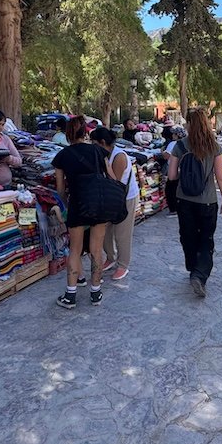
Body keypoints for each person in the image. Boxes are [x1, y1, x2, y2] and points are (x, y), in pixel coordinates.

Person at [52, 116, 115, 308]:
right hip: (99, 204)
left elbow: (61, 189)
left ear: (67, 134)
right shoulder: (98, 151)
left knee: (75, 249)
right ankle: (95, 292)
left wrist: (65, 204)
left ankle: (70, 295)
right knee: (96, 249)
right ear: (86, 132)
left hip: (78, 204)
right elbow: (111, 177)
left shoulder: (62, 156)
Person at [168, 108, 222, 297]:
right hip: (208, 201)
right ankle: (199, 275)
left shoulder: (180, 146)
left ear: (189, 124)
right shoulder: (215, 146)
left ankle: (193, 268)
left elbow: (171, 176)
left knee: (188, 236)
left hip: (184, 200)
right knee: (206, 239)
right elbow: (220, 177)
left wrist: (185, 176)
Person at [91, 127, 138, 281]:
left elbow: (114, 183)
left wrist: (104, 164)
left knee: (122, 233)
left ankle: (123, 264)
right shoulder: (104, 154)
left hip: (125, 198)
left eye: (94, 143)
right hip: (110, 199)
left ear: (103, 143)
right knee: (104, 230)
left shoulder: (119, 157)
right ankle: (111, 258)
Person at [162, 127, 182, 217]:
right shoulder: (184, 143)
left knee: (170, 189)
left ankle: (173, 209)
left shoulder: (173, 144)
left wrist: (161, 152)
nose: (172, 135)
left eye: (174, 134)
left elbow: (166, 156)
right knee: (177, 189)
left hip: (173, 169)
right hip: (182, 169)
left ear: (177, 135)